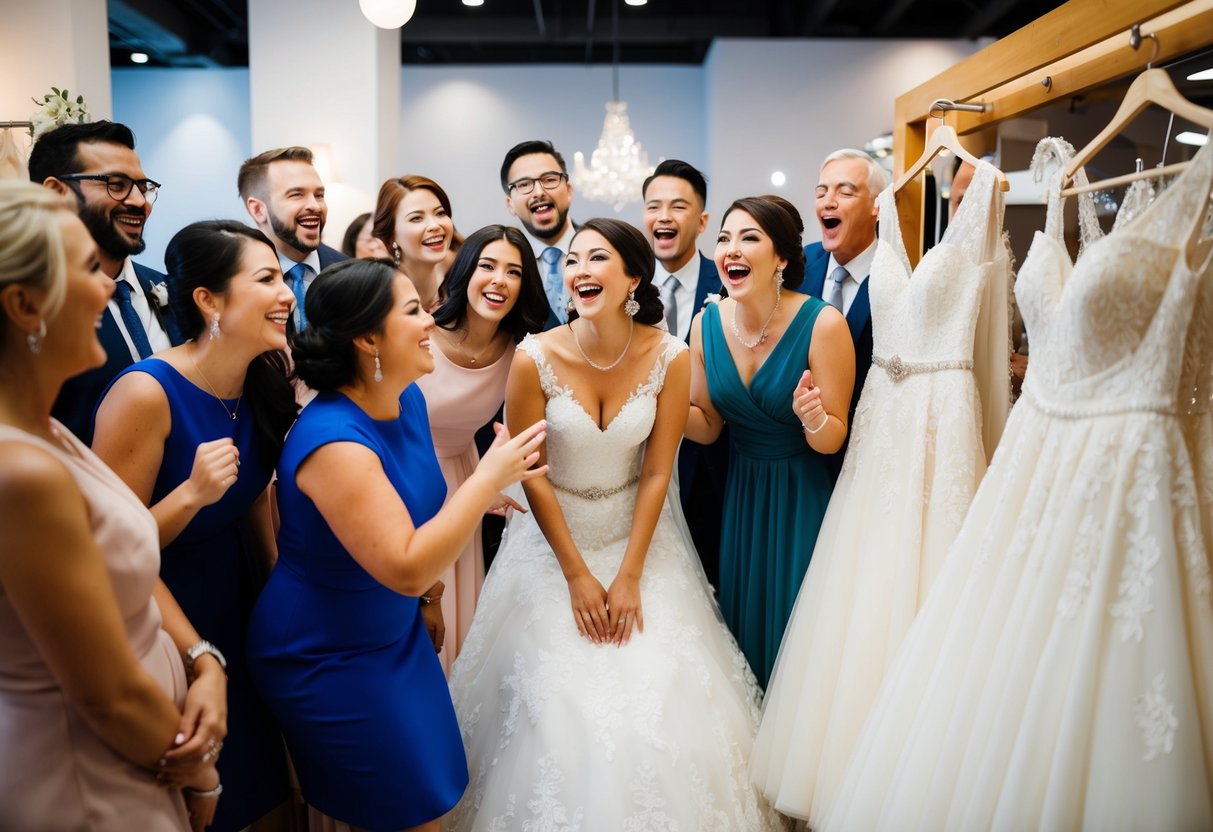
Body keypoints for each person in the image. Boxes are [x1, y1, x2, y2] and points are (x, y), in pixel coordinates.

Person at [446, 218, 784, 831]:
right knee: (548, 698)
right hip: (552, 543)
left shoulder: (670, 355)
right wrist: (577, 575)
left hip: (639, 538)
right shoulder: (533, 357)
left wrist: (628, 575)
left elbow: (657, 474)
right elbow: (532, 472)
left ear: (632, 276)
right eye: (571, 260)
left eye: (595, 258)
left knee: (662, 694)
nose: (577, 270)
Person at [246, 259, 548, 832]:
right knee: (409, 815)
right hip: (327, 652)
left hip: (394, 635)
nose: (431, 320)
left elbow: (415, 512)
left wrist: (430, 601)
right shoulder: (333, 441)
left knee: (435, 794)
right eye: (413, 310)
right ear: (366, 338)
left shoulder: (405, 400)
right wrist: (488, 475)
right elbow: (404, 564)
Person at [0, 182, 219, 831]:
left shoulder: (50, 430)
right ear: (22, 303)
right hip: (88, 773)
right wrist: (201, 771)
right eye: (86, 270)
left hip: (134, 755)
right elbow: (109, 696)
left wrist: (204, 659)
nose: (107, 289)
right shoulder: (20, 470)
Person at [92, 220, 298, 831]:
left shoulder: (261, 379)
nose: (286, 294)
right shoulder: (145, 394)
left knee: (268, 797)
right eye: (266, 279)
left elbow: (257, 503)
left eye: (282, 277)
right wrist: (189, 496)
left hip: (238, 605)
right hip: (161, 616)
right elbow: (105, 554)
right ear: (208, 300)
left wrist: (277, 600)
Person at [686, 195, 855, 686]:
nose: (731, 250)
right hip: (742, 500)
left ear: (782, 256)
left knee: (798, 634)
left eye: (749, 238)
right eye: (723, 238)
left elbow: (833, 439)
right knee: (744, 627)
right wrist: (662, 404)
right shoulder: (706, 324)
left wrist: (813, 417)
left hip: (803, 495)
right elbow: (708, 424)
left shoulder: (823, 324)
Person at [417, 224, 549, 672]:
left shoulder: (521, 351)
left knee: (460, 623)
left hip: (466, 479)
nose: (499, 280)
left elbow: (516, 433)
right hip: (408, 478)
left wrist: (493, 480)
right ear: (464, 272)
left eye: (514, 272)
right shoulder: (423, 334)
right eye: (487, 266)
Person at [28, 120, 184, 443]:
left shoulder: (171, 288)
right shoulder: (31, 309)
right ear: (56, 193)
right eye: (116, 184)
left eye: (143, 187)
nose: (141, 202)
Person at [641, 158, 728, 586]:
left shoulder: (732, 285)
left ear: (702, 220)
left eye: (677, 206)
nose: (663, 217)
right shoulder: (625, 287)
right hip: (637, 470)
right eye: (653, 206)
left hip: (713, 473)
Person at [802, 149, 887, 477]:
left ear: (876, 206)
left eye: (845, 191)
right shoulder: (795, 267)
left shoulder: (898, 276)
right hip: (798, 458)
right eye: (821, 191)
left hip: (864, 458)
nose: (828, 201)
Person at [237, 146, 346, 332]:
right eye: (296, 195)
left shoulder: (350, 272)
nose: (315, 206)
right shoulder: (236, 279)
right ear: (258, 210)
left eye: (319, 195)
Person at [500, 139, 577, 329]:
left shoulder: (610, 249)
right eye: (524, 184)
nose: (539, 192)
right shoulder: (500, 267)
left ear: (568, 191)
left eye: (549, 179)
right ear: (510, 204)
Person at [371, 174, 455, 312]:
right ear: (391, 236)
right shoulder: (381, 289)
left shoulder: (454, 267)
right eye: (416, 218)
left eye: (440, 213)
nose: (434, 225)